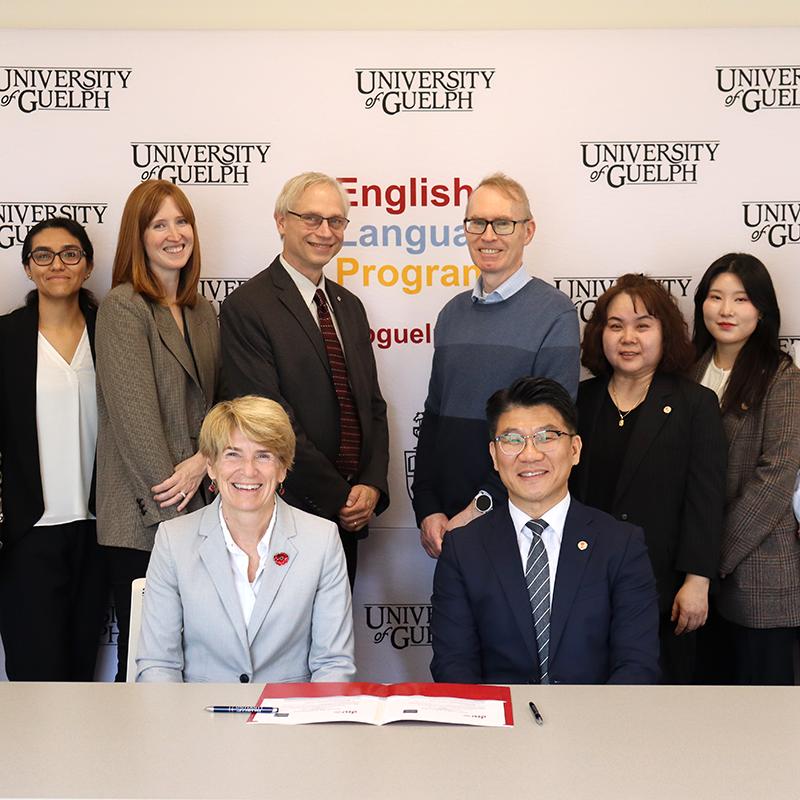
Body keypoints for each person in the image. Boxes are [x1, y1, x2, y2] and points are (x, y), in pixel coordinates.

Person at [219, 172, 389, 587]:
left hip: (348, 516)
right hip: (286, 509)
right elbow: (268, 421)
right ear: (281, 221)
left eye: (336, 221)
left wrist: (370, 484)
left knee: (332, 645)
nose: (325, 231)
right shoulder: (248, 306)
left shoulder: (349, 307)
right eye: (311, 218)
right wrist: (338, 495)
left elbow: (372, 407)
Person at [430, 377, 660, 685]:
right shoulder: (463, 549)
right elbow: (454, 665)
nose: (530, 454)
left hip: (594, 725)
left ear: (575, 449)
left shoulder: (620, 544)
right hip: (500, 726)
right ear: (495, 456)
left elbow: (636, 663)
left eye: (546, 436)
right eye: (512, 440)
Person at [412, 173, 580, 559]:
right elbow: (434, 417)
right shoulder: (450, 314)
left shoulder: (555, 313)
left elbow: (549, 431)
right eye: (477, 223)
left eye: (503, 223)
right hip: (447, 526)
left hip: (516, 522)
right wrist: (428, 507)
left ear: (528, 231)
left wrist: (480, 507)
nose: (488, 235)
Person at [570, 274, 726, 683]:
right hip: (583, 586)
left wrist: (697, 580)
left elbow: (705, 500)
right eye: (616, 325)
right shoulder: (578, 403)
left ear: (665, 333)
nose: (628, 337)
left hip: (664, 590)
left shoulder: (695, 404)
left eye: (643, 325)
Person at [136, 396, 355, 683]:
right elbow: (158, 664)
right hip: (198, 721)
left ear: (283, 468)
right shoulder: (173, 541)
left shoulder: (322, 540)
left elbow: (334, 664)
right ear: (211, 466)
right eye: (232, 454)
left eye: (263, 455)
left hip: (291, 722)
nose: (248, 470)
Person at [96, 180, 219, 681]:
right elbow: (135, 423)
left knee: (200, 660)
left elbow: (217, 406)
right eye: (159, 224)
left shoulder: (202, 309)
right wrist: (183, 490)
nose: (175, 234)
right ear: (138, 237)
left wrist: (206, 461)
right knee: (150, 663)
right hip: (143, 520)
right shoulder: (123, 307)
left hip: (204, 508)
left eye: (182, 221)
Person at [0, 218, 106, 680]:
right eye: (42, 255)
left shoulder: (113, 334)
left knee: (83, 672)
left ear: (87, 266)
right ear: (28, 268)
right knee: (35, 675)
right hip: (28, 530)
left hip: (100, 528)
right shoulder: (5, 338)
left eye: (70, 253)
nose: (56, 264)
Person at [692, 253, 800, 685]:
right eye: (715, 297)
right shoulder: (689, 370)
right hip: (695, 580)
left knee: (762, 718)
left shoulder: (782, 378)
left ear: (762, 309)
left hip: (759, 576)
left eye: (740, 299)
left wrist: (709, 556)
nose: (726, 310)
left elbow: (776, 477)